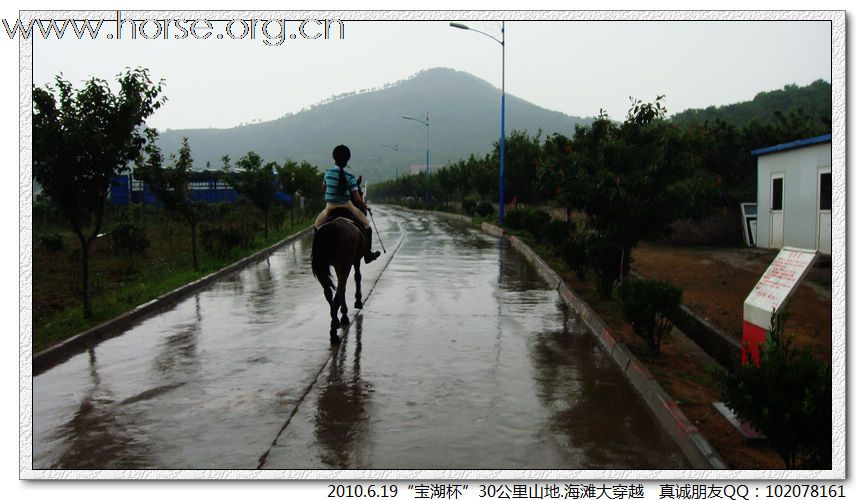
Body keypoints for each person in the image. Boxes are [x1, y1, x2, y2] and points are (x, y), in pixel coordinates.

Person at [314, 144, 380, 263]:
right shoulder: (350, 176)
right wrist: (365, 206)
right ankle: (368, 255)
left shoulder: (327, 173)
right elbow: (357, 198)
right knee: (367, 225)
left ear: (334, 158)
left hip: (330, 207)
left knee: (317, 225)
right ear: (347, 160)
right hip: (347, 205)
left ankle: (317, 254)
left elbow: (324, 189)